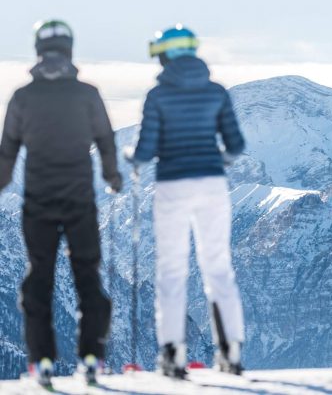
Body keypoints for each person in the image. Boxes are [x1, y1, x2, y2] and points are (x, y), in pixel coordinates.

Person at [0, 20, 122, 388]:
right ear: (70, 50)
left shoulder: (22, 97)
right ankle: (91, 357)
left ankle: (42, 361)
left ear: (39, 50)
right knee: (88, 278)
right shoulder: (88, 94)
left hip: (38, 203)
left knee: (39, 278)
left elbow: (7, 151)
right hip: (80, 201)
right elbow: (105, 141)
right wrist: (112, 177)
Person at [126, 24, 245, 378]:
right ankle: (232, 351)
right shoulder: (216, 92)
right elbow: (236, 145)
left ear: (164, 55)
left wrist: (132, 155)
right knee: (218, 266)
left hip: (173, 186)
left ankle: (173, 355)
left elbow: (145, 151)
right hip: (212, 184)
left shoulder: (157, 96)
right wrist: (215, 160)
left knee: (172, 270)